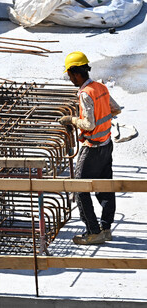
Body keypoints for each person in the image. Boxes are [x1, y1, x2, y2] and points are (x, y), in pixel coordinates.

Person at [59, 51, 122, 245]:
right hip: (106, 144)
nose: (69, 79)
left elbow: (89, 124)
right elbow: (116, 109)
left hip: (93, 148)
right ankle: (106, 228)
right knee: (105, 186)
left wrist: (71, 119)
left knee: (80, 189)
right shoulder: (100, 87)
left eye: (69, 75)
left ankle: (93, 232)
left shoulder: (85, 93)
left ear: (76, 73)